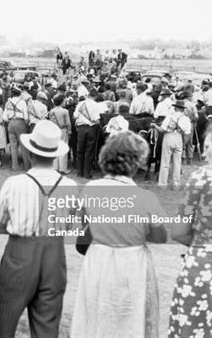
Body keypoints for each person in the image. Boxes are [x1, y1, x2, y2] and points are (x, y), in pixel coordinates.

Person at [70, 131, 168, 338]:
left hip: (98, 258)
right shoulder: (145, 198)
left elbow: (82, 221)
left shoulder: (90, 189)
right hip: (132, 261)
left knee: (95, 313)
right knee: (130, 318)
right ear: (136, 162)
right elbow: (160, 236)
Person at [0, 120, 78, 338]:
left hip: (20, 253)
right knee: (47, 324)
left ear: (30, 152)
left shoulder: (15, 183)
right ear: (55, 154)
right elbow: (70, 226)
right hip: (54, 255)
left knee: (5, 318)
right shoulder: (70, 186)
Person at [168, 124, 212, 337]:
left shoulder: (203, 176)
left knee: (194, 328)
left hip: (203, 266)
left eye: (207, 147)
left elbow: (178, 231)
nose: (203, 153)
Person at [151, 100, 191, 190]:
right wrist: (184, 144)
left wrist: (154, 125)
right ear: (183, 109)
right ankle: (176, 185)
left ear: (175, 108)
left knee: (165, 162)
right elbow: (187, 133)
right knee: (177, 163)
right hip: (179, 138)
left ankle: (162, 184)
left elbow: (162, 130)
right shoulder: (186, 119)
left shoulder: (169, 117)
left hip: (168, 137)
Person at [73, 88, 101, 178]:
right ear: (95, 96)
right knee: (89, 151)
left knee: (80, 150)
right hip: (90, 128)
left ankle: (79, 172)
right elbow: (96, 120)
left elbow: (75, 116)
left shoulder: (80, 104)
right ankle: (87, 173)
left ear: (88, 95)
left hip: (81, 128)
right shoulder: (96, 105)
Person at [2, 86, 30, 171]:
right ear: (20, 94)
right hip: (20, 123)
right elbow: (26, 116)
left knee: (13, 146)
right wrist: (26, 123)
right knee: (24, 146)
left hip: (10, 123)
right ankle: (27, 166)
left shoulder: (8, 103)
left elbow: (4, 117)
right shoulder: (22, 102)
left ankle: (15, 166)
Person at [48, 94, 71, 174]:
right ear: (61, 102)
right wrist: (69, 131)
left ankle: (55, 167)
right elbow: (68, 123)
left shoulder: (51, 111)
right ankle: (63, 168)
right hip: (62, 130)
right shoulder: (65, 111)